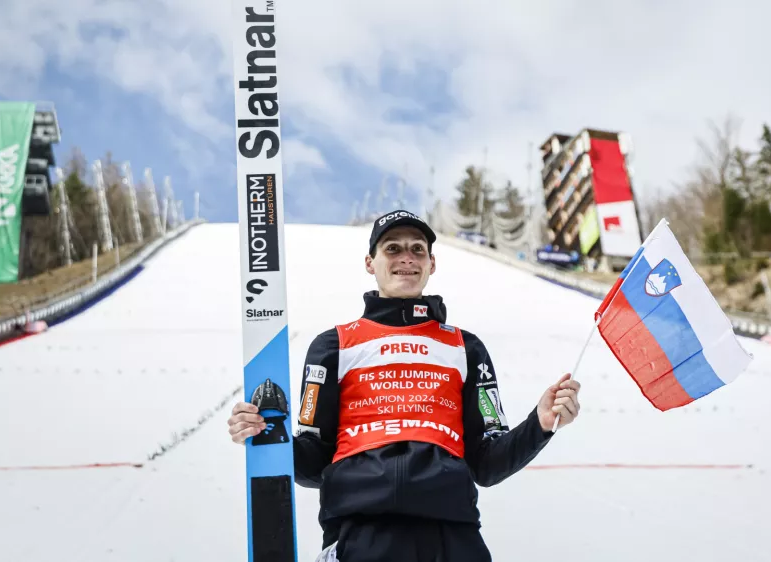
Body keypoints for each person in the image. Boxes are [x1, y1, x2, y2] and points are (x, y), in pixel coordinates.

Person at [227, 209, 582, 561]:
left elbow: (487, 464)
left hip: (452, 535)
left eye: (417, 250)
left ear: (432, 264)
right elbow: (313, 460)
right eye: (393, 249)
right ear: (370, 262)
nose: (406, 258)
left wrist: (540, 423)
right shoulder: (333, 345)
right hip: (358, 532)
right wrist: (268, 433)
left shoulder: (464, 347)